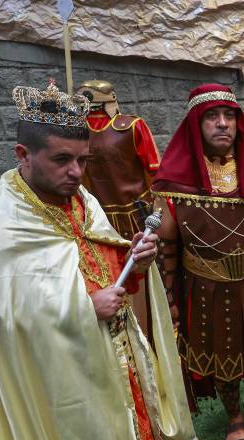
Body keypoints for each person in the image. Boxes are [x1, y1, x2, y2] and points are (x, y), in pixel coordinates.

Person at [0, 80, 197, 440]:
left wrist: (131, 257)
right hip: (52, 384)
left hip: (108, 356)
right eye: (62, 160)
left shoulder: (81, 201)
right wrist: (83, 308)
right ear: (22, 155)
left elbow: (100, 264)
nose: (76, 172)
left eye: (83, 161)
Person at [152, 83, 244, 440]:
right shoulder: (175, 183)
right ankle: (235, 417)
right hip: (207, 286)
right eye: (212, 117)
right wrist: (171, 301)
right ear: (197, 124)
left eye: (229, 116)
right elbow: (166, 246)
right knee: (223, 353)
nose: (222, 124)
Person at [77, 79, 163, 334]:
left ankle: (146, 337)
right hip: (97, 218)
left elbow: (155, 174)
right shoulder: (76, 131)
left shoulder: (131, 127)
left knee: (140, 283)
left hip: (132, 217)